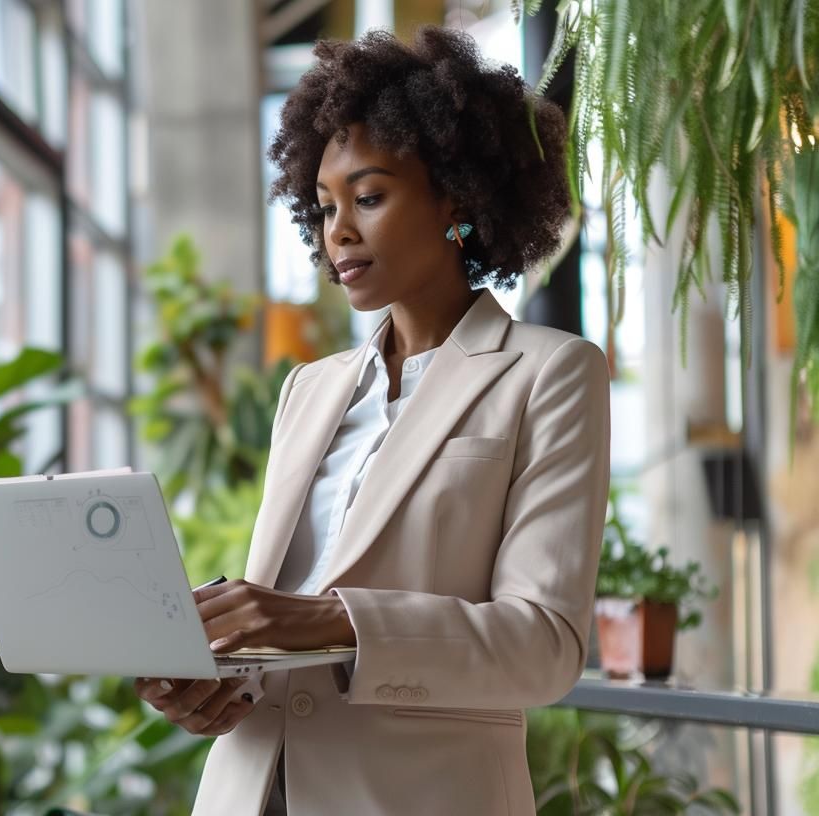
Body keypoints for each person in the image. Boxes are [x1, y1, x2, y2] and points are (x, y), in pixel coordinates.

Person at [133, 26, 610, 815]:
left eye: (369, 196)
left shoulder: (549, 374)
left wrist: (329, 622)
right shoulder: (310, 390)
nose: (338, 231)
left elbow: (543, 647)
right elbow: (283, 618)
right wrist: (215, 678)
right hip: (252, 790)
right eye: (324, 207)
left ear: (457, 195)